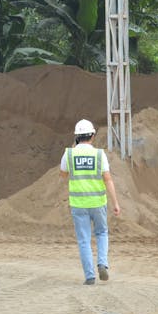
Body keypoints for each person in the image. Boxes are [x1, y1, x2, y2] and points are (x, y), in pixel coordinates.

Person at [59, 118, 121, 285]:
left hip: (79, 205)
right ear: (92, 136)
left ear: (76, 137)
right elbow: (108, 179)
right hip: (98, 202)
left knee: (84, 240)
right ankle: (102, 263)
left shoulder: (69, 154)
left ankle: (90, 276)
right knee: (101, 233)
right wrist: (115, 203)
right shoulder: (99, 154)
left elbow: (63, 175)